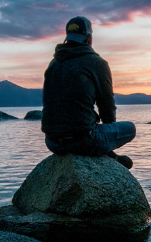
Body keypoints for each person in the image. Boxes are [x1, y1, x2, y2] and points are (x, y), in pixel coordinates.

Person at [41, 15, 135, 169]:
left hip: (52, 142)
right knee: (130, 128)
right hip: (83, 141)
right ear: (89, 38)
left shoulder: (53, 64)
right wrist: (107, 138)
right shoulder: (97, 63)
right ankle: (109, 155)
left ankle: (108, 154)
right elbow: (106, 105)